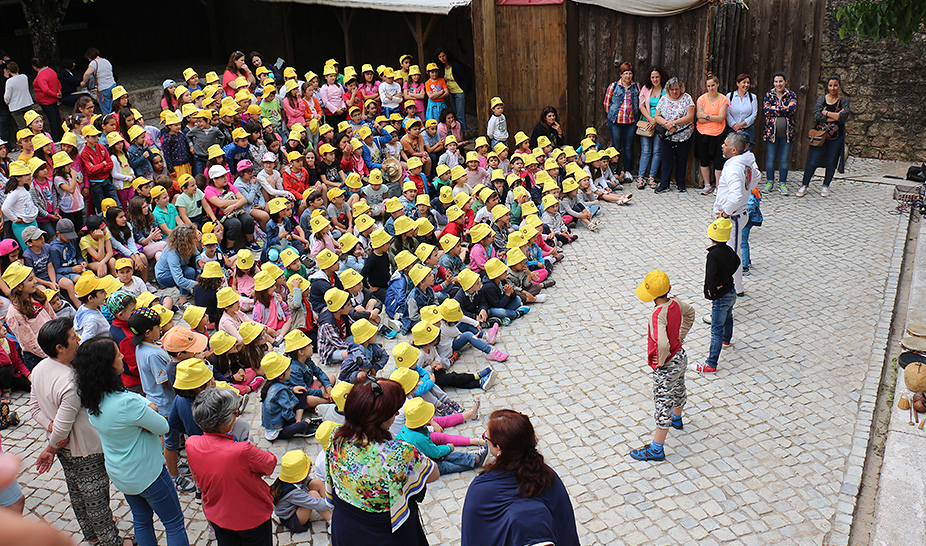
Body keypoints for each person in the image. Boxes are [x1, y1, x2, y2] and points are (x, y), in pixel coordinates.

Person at [73, 335, 190, 546]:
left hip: (122, 473)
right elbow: (163, 427)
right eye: (117, 354)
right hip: (148, 473)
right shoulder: (126, 403)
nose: (122, 356)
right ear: (107, 366)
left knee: (142, 520)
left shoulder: (92, 398)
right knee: (174, 523)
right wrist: (150, 408)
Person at [30, 317, 129, 546]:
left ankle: (91, 534)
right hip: (84, 447)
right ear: (59, 347)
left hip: (65, 448)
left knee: (77, 493)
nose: (78, 339)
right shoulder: (71, 381)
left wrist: (49, 426)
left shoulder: (39, 368)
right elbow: (63, 428)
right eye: (73, 337)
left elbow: (35, 409)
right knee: (96, 499)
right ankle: (110, 541)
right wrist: (50, 448)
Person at [326, 378, 439, 544]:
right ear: (379, 419)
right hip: (382, 533)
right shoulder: (397, 453)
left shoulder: (337, 436)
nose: (398, 414)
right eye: (393, 411)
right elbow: (433, 473)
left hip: (346, 523)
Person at [461, 409, 579, 546]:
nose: (485, 439)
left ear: (499, 449)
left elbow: (473, 536)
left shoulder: (480, 490)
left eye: (486, 437)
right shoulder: (548, 478)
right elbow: (565, 531)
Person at [187, 387, 277, 546]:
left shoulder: (191, 443)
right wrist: (249, 447)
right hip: (251, 517)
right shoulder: (242, 450)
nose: (237, 416)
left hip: (218, 514)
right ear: (224, 422)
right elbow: (269, 464)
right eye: (235, 413)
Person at [629, 271, 695, 461]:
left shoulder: (657, 315)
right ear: (669, 289)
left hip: (668, 363)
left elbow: (663, 343)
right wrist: (681, 336)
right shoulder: (675, 303)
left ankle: (657, 448)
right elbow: (690, 312)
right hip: (681, 357)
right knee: (679, 388)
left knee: (662, 401)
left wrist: (661, 360)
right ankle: (677, 418)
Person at [712, 132, 759, 296]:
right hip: (737, 215)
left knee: (731, 254)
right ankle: (736, 287)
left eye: (725, 144)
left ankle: (733, 289)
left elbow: (736, 195)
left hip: (733, 217)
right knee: (731, 252)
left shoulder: (733, 167)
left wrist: (726, 212)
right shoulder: (745, 163)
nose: (722, 146)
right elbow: (756, 177)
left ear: (733, 151)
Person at [798, 75, 850, 198]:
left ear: (839, 86)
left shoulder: (844, 101)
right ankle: (805, 184)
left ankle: (826, 185)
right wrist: (835, 115)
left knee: (831, 161)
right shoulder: (822, 99)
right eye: (830, 85)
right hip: (820, 136)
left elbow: (843, 117)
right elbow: (817, 114)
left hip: (836, 137)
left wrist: (826, 112)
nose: (833, 88)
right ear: (827, 86)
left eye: (835, 85)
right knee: (812, 161)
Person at [700, 218, 739, 373]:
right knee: (728, 316)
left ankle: (711, 363)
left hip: (721, 296)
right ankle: (727, 340)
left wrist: (712, 291)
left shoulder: (713, 255)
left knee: (716, 328)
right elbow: (737, 262)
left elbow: (711, 276)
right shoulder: (729, 250)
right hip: (731, 291)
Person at [4, 262, 56, 370]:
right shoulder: (14, 313)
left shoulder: (37, 296)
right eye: (30, 280)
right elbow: (29, 343)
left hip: (53, 343)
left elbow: (53, 317)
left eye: (34, 278)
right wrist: (52, 357)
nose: (35, 282)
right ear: (19, 286)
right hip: (38, 356)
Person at [654, 77, 695, 193]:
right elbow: (657, 116)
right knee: (666, 159)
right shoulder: (663, 99)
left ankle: (680, 183)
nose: (674, 92)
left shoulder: (687, 98)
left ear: (681, 89)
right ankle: (664, 184)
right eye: (672, 89)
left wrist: (674, 123)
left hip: (683, 135)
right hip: (667, 135)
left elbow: (689, 116)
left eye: (676, 89)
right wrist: (667, 124)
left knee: (681, 159)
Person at [762, 72, 797, 195]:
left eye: (780, 81)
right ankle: (770, 182)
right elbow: (766, 110)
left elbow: (792, 109)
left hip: (787, 134)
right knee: (770, 158)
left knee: (784, 159)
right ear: (773, 83)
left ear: (785, 82)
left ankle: (782, 183)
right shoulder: (769, 95)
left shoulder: (791, 95)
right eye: (776, 81)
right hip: (771, 133)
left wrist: (775, 109)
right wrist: (783, 110)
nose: (778, 84)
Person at [694, 74, 730, 194]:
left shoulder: (723, 99)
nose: (711, 88)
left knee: (719, 160)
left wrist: (707, 116)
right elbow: (699, 118)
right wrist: (710, 117)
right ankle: (707, 184)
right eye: (709, 86)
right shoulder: (701, 99)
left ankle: (718, 187)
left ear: (718, 84)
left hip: (719, 133)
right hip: (703, 133)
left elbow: (721, 118)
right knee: (704, 160)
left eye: (713, 85)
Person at [604, 62, 639, 182]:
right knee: (615, 147)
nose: (628, 76)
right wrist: (611, 116)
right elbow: (607, 102)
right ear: (621, 74)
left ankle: (627, 171)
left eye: (630, 73)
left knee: (628, 147)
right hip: (615, 122)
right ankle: (614, 172)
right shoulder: (614, 86)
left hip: (630, 122)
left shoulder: (636, 87)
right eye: (625, 73)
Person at [636, 67, 667, 190]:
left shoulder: (665, 90)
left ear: (661, 77)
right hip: (647, 122)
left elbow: (667, 107)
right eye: (653, 77)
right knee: (645, 151)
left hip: (660, 124)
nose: (655, 79)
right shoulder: (646, 89)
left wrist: (657, 121)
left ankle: (652, 177)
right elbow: (641, 106)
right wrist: (650, 119)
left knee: (657, 151)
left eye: (657, 77)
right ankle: (640, 177)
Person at [154, 225, 199, 304]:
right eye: (194, 238)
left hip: (181, 268)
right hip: (164, 276)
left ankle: (185, 290)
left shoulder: (190, 245)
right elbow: (179, 280)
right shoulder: (172, 253)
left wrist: (199, 260)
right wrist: (196, 284)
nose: (196, 240)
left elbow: (196, 254)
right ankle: (183, 299)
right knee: (189, 272)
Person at [436, 48, 471, 134]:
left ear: (447, 55)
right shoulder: (443, 67)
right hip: (451, 92)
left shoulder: (456, 65)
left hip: (459, 92)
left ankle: (463, 134)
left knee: (460, 115)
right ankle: (457, 134)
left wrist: (466, 90)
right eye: (440, 57)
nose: (442, 58)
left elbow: (465, 78)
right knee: (454, 115)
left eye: (443, 56)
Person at [31, 57, 62, 141]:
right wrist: (58, 92)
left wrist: (54, 94)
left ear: (34, 66)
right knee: (57, 117)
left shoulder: (40, 76)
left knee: (52, 119)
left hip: (45, 100)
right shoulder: (51, 71)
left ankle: (55, 137)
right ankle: (60, 134)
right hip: (54, 99)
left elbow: (45, 89)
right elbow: (58, 82)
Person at [81, 48, 117, 115]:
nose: (89, 60)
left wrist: (83, 82)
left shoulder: (94, 63)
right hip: (113, 85)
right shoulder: (106, 61)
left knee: (106, 110)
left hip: (103, 88)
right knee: (113, 107)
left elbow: (87, 74)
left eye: (88, 58)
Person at [725, 73, 757, 144]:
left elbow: (754, 114)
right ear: (738, 83)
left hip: (747, 130)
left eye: (748, 83)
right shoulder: (730, 96)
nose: (746, 85)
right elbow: (727, 113)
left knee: (746, 151)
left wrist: (741, 124)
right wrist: (734, 125)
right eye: (744, 82)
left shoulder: (753, 97)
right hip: (732, 130)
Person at [3, 62, 35, 133]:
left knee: (22, 127)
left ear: (8, 71)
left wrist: (6, 101)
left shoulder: (9, 81)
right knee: (31, 123)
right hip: (27, 103)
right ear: (18, 69)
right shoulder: (24, 77)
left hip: (16, 106)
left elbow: (7, 96)